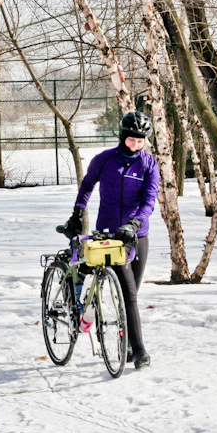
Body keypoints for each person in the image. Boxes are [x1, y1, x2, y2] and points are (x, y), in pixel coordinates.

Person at [61, 111, 159, 369]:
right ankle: (139, 351)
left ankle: (127, 343)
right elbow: (87, 186)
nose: (135, 144)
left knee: (131, 292)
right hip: (108, 235)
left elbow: (149, 200)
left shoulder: (149, 164)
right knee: (129, 294)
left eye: (140, 140)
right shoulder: (105, 160)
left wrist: (135, 223)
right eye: (131, 139)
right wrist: (77, 213)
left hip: (136, 235)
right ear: (122, 136)